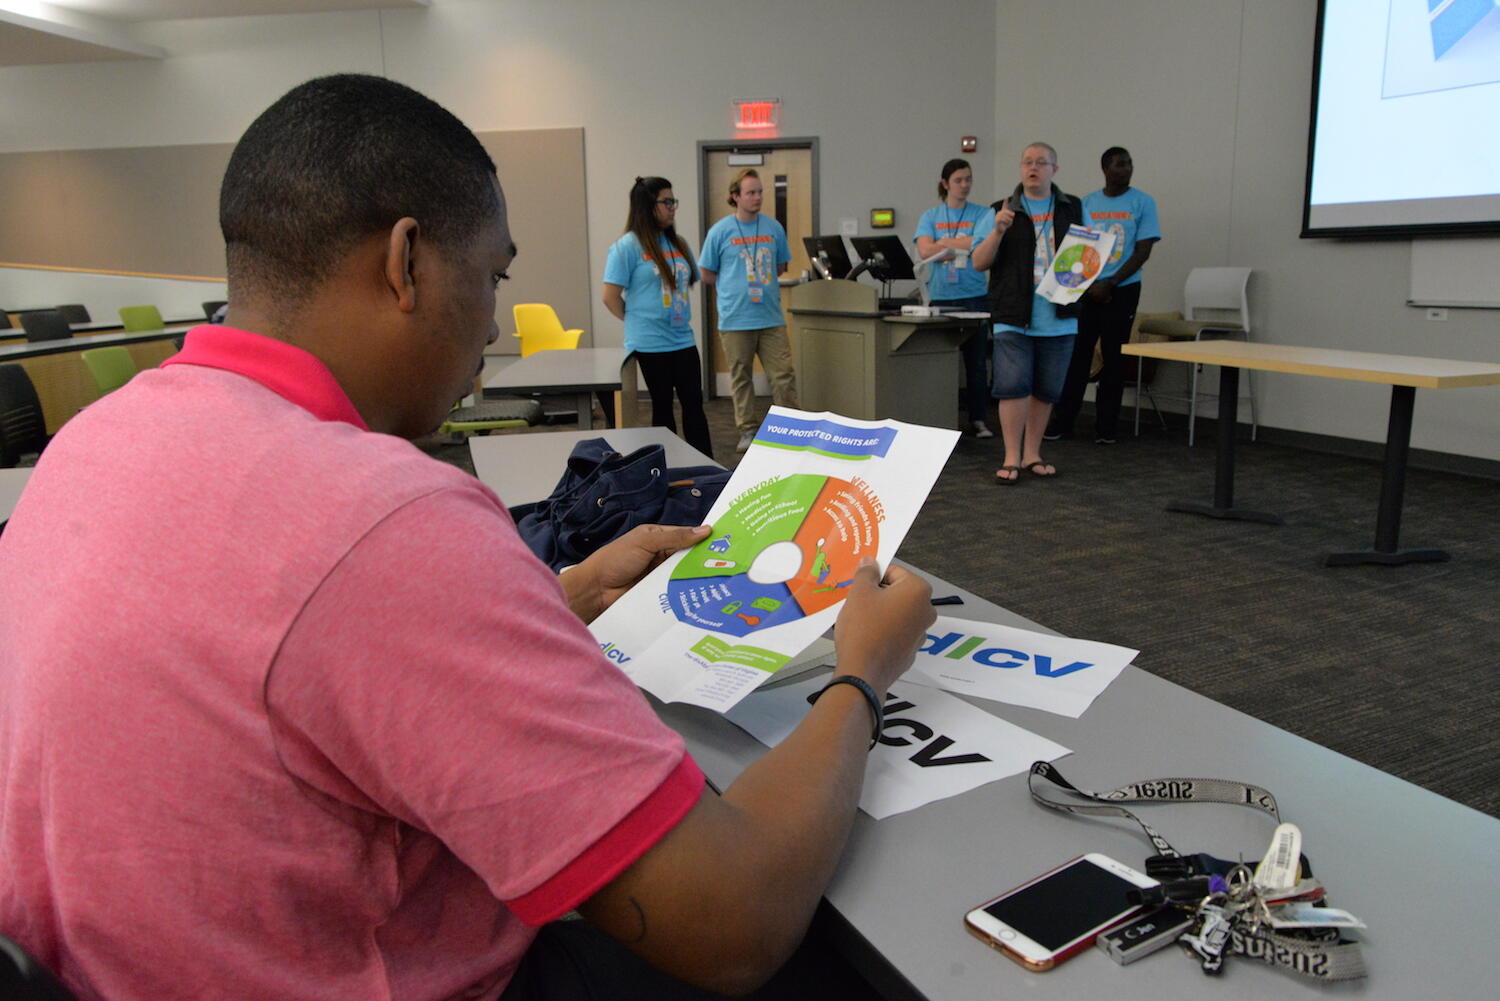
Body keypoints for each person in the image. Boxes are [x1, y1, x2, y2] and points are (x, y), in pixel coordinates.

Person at [0, 74, 935, 1001]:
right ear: (406, 260)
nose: (492, 323)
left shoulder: (94, 441)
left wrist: (551, 597)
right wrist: (860, 673)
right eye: (492, 278)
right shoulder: (387, 518)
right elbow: (735, 920)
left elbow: (259, 647)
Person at [971, 142, 1080, 483]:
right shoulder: (999, 209)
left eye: (1041, 163)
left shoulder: (1072, 208)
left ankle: (1033, 453)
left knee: (1046, 390)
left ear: (1054, 170)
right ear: (1020, 169)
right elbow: (979, 261)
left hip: (1059, 315)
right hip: (1013, 313)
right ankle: (1011, 456)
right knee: (1012, 385)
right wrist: (998, 230)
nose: (1033, 168)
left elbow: (1088, 253)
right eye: (1027, 162)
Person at [1048, 146, 1161, 444]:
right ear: (1105, 169)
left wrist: (1110, 283)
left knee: (1114, 358)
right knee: (1077, 356)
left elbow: (1143, 250)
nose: (1126, 169)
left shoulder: (1143, 202)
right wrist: (1088, 286)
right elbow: (1078, 248)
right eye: (1119, 164)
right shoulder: (1087, 203)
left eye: (1129, 163)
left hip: (1122, 289)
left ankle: (1106, 427)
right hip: (1087, 290)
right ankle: (1064, 422)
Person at [603, 178, 714, 458]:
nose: (672, 208)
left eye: (673, 201)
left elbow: (689, 281)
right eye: (667, 202)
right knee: (662, 406)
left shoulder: (679, 243)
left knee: (694, 405)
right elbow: (610, 296)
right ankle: (669, 468)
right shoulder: (626, 247)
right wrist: (635, 322)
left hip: (682, 339)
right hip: (650, 343)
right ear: (647, 206)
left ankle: (706, 466)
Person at [699, 168, 798, 453]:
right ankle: (748, 430)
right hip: (735, 318)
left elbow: (781, 267)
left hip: (770, 317)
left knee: (783, 375)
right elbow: (706, 273)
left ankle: (790, 429)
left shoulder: (773, 228)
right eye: (751, 193)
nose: (757, 197)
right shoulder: (720, 231)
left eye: (760, 192)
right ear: (735, 196)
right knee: (741, 377)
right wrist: (733, 285)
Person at [914, 158, 996, 439]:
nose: (965, 185)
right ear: (945, 183)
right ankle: (942, 417)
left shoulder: (984, 214)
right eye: (959, 180)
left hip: (974, 297)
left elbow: (980, 246)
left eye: (968, 179)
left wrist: (944, 244)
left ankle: (979, 420)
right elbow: (925, 253)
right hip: (941, 298)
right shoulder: (930, 216)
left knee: (975, 363)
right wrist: (960, 244)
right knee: (942, 363)